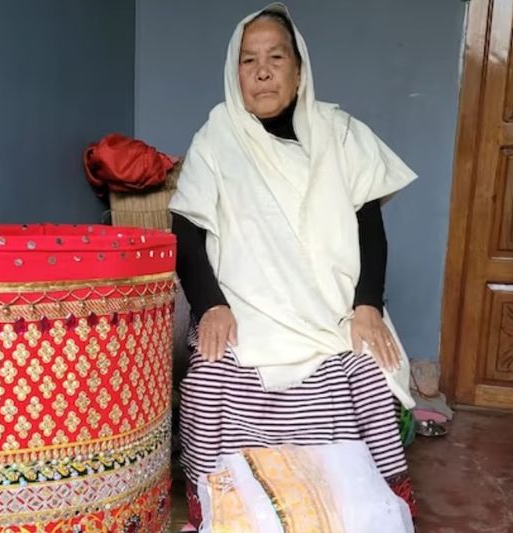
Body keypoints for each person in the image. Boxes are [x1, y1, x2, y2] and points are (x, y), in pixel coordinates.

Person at [169, 3, 418, 529]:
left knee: (368, 364)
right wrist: (211, 307)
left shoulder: (341, 133)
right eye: (248, 60)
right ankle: (221, 495)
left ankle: (365, 495)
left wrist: (367, 306)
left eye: (275, 57)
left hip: (328, 312)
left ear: (299, 67)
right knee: (210, 374)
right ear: (235, 73)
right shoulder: (217, 137)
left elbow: (369, 226)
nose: (261, 71)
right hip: (245, 308)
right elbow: (187, 232)